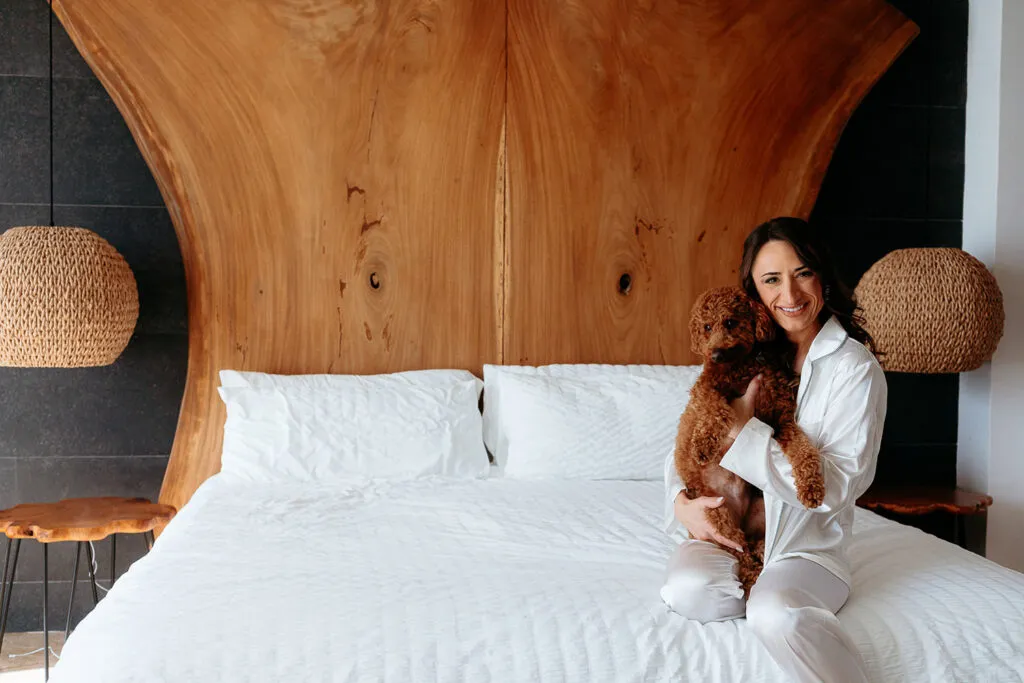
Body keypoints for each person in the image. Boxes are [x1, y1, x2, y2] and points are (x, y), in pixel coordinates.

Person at [660, 216, 888, 683]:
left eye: (802, 272)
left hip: (809, 544)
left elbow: (838, 485)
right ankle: (753, 577)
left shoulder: (854, 369)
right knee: (688, 590)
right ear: (754, 294)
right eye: (771, 280)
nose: (790, 293)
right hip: (729, 528)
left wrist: (744, 432)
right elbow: (689, 444)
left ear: (822, 274)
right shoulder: (739, 352)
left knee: (775, 614)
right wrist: (680, 505)